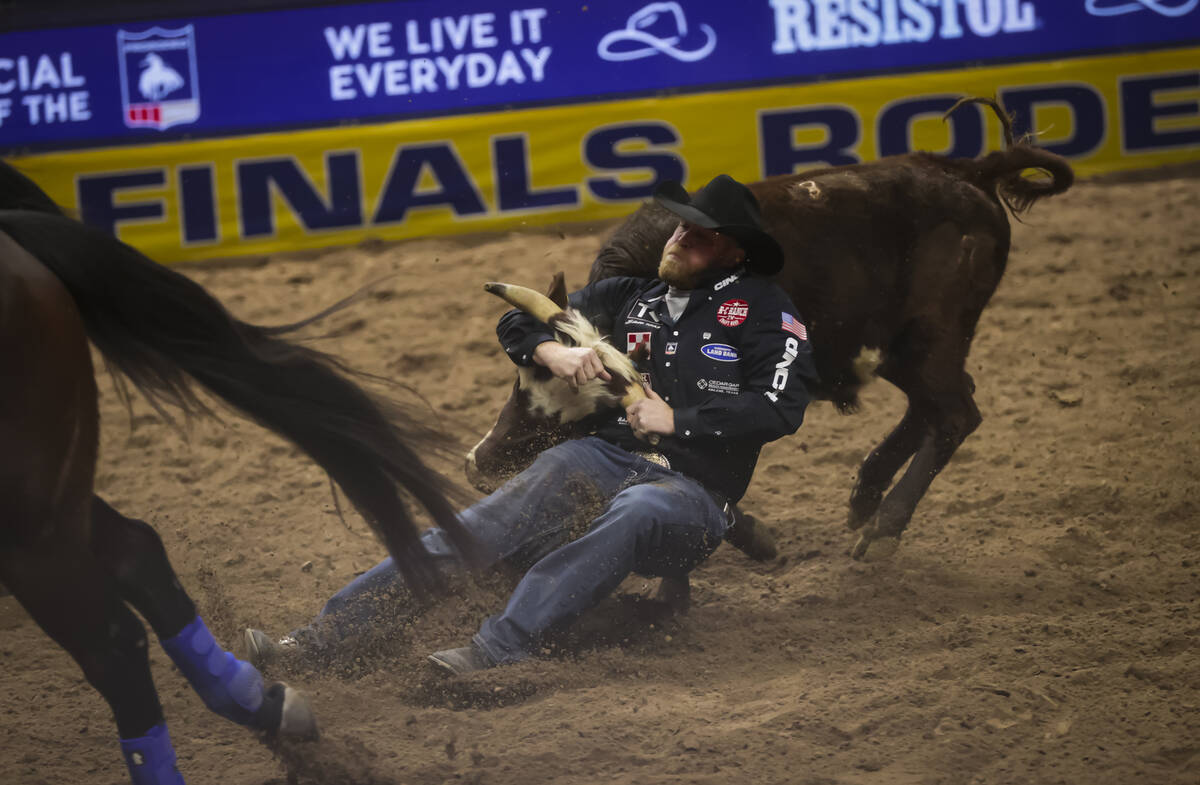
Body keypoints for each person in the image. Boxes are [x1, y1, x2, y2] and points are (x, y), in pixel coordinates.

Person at [245, 174, 818, 674]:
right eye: (679, 228)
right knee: (480, 524)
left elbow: (780, 407)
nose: (682, 239)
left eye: (703, 236)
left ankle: (496, 651)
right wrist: (553, 352)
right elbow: (519, 319)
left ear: (736, 254)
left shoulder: (769, 313)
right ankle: (321, 640)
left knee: (636, 511)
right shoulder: (629, 296)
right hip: (602, 459)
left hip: (695, 493)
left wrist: (680, 418)